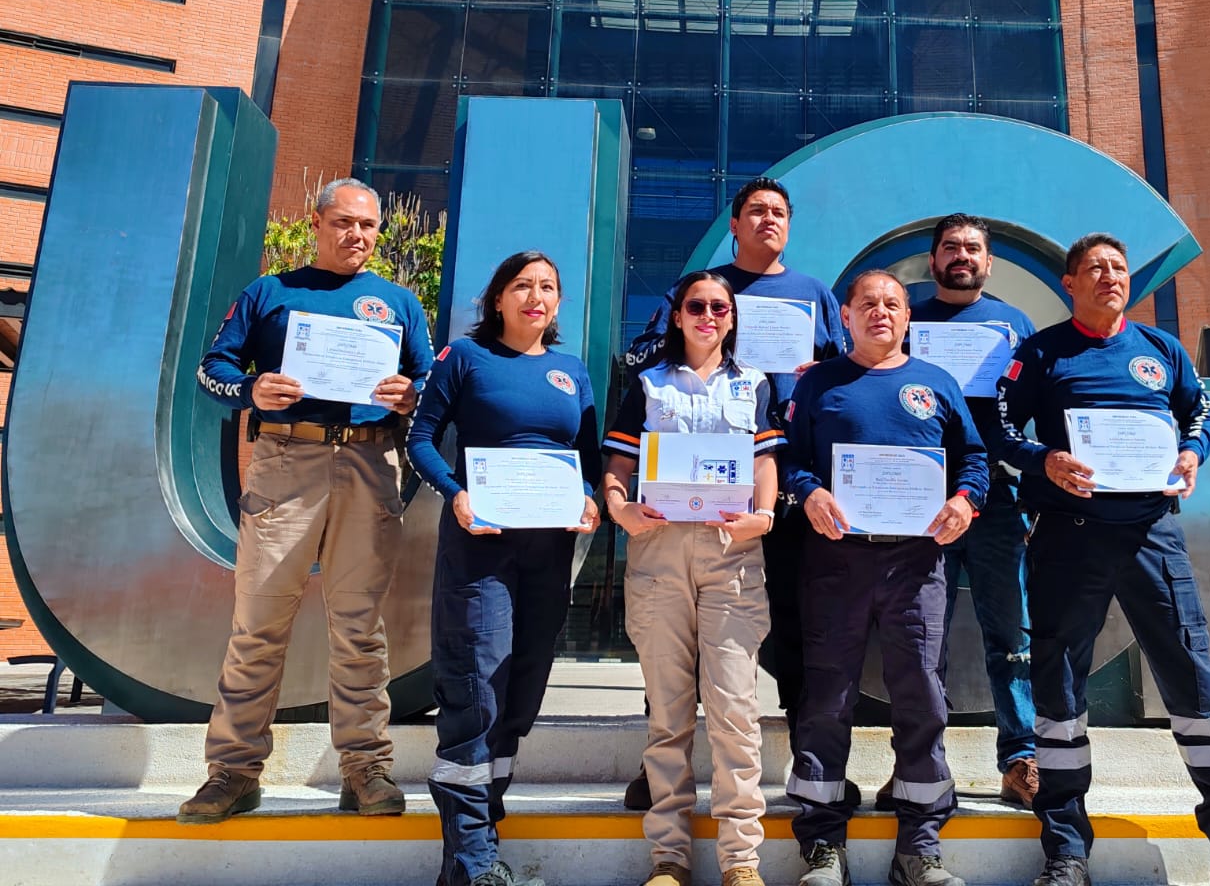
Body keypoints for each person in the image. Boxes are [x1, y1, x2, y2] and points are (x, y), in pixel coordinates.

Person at [994, 233, 1210, 886]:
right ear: (1070, 283)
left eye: (1119, 268)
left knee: (1193, 679)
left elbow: (1201, 415)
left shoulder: (1162, 350)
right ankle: (1066, 850)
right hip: (1069, 537)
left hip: (1152, 535)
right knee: (1059, 688)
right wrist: (1044, 460)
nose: (1111, 276)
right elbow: (1004, 429)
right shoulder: (1040, 353)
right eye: (1096, 268)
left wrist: (1192, 453)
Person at [181, 179, 433, 823]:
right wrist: (252, 390)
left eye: (369, 226)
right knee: (258, 623)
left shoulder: (398, 302)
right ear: (316, 223)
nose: (358, 235)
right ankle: (233, 772)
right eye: (345, 222)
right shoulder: (269, 292)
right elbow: (212, 369)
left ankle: (365, 769)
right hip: (286, 461)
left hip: (371, 462)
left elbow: (430, 382)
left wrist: (412, 395)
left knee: (360, 627)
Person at [621, 176, 847, 809]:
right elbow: (643, 356)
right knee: (678, 636)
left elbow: (845, 366)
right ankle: (658, 769)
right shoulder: (701, 288)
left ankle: (807, 756)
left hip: (785, 477)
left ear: (788, 226)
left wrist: (819, 371)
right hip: (697, 494)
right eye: (756, 211)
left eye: (778, 212)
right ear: (735, 223)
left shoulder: (813, 294)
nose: (768, 219)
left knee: (794, 624)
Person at [784, 269, 989, 886]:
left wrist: (965, 502)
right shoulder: (818, 383)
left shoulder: (937, 382)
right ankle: (823, 843)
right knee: (827, 697)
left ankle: (919, 847)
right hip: (835, 562)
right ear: (845, 316)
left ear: (907, 317)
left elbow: (974, 458)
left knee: (921, 693)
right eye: (867, 303)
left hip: (917, 566)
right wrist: (809, 491)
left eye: (893, 304)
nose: (881, 312)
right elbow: (787, 457)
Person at [406, 250, 603, 886]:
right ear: (498, 299)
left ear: (558, 302)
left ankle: (475, 855)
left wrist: (589, 500)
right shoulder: (465, 358)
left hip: (548, 553)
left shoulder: (573, 372)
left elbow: (589, 460)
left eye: (547, 287)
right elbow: (419, 439)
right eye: (522, 285)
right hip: (481, 549)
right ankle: (473, 860)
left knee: (522, 691)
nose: (535, 296)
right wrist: (455, 493)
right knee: (476, 688)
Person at [603, 271, 784, 886]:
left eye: (720, 308)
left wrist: (765, 515)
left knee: (735, 712)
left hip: (731, 553)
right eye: (697, 306)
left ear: (732, 318)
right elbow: (619, 461)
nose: (709, 316)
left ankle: (741, 860)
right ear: (677, 315)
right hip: (659, 551)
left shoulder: (755, 383)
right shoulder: (648, 383)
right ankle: (669, 858)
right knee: (668, 714)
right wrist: (620, 507)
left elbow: (764, 459)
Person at [901, 214, 1038, 809]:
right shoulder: (906, 318)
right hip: (918, 499)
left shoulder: (1014, 324)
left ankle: (1021, 758)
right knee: (920, 637)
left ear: (989, 262)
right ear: (933, 260)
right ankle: (921, 762)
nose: (962, 255)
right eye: (951, 247)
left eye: (973, 248)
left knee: (1011, 634)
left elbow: (1034, 405)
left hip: (996, 499)